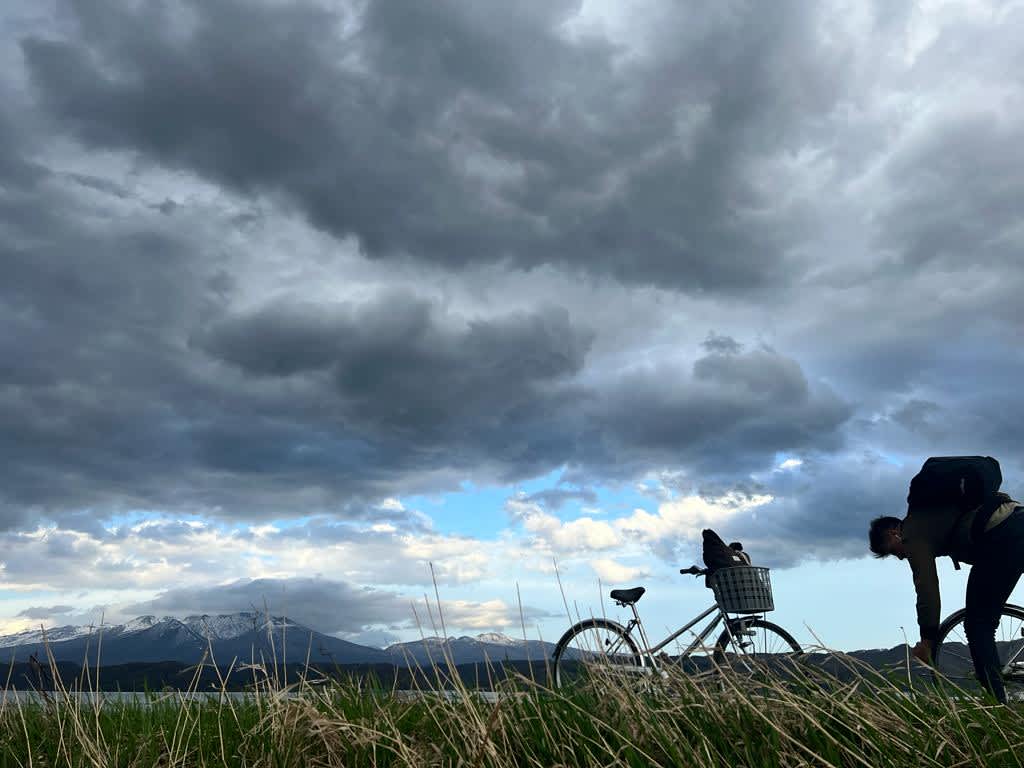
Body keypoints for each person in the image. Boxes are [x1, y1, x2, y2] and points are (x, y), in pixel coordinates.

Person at [869, 490, 1024, 703]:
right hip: (1017, 518)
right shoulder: (936, 518)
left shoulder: (912, 532)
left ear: (894, 533)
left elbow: (927, 588)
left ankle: (998, 709)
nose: (902, 556)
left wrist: (927, 639)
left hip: (1002, 535)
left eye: (895, 552)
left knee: (978, 624)